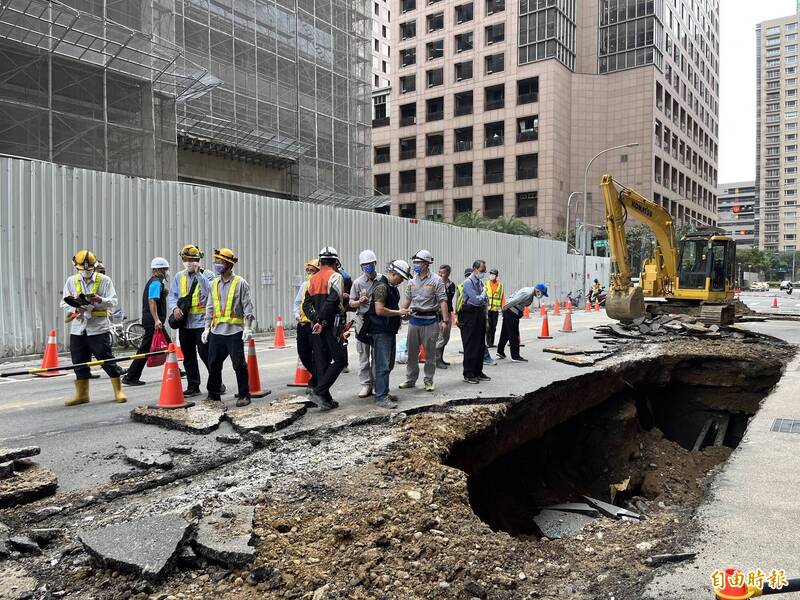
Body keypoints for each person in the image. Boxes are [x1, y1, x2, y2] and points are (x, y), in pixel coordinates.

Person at [60, 250, 127, 406]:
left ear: (94, 266)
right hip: (78, 328)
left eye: (89, 269)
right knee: (79, 361)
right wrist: (76, 308)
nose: (86, 272)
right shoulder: (71, 281)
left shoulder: (105, 280)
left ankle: (118, 390)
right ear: (76, 267)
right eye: (82, 269)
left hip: (98, 327)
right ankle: (82, 394)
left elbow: (114, 301)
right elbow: (63, 303)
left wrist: (100, 300)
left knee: (106, 359)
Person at [202, 248, 255, 407]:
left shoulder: (240, 283)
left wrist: (247, 327)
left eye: (221, 262)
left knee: (239, 364)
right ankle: (213, 395)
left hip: (234, 332)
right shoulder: (214, 283)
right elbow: (210, 308)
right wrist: (206, 328)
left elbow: (248, 308)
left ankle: (244, 395)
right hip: (216, 331)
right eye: (216, 261)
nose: (217, 265)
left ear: (229, 264)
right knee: (213, 364)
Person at [303, 246, 348, 411]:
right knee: (340, 359)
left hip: (316, 327)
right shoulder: (335, 276)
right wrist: (322, 321)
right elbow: (333, 301)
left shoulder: (313, 279)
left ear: (320, 261)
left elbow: (306, 304)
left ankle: (326, 399)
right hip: (331, 325)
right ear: (336, 262)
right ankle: (319, 391)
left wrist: (315, 320)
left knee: (322, 361)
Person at [167, 245, 214, 397]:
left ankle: (216, 383)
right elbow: (173, 295)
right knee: (188, 357)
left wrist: (198, 274)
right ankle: (193, 386)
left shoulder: (208, 275)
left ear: (199, 260)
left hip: (202, 323)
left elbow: (209, 293)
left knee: (206, 354)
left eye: (193, 259)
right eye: (186, 259)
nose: (189, 262)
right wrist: (174, 308)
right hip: (185, 323)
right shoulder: (179, 276)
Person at [399, 250, 449, 392]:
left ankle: (428, 380)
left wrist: (445, 321)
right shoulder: (411, 281)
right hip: (414, 321)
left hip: (430, 321)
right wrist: (400, 315)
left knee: (430, 354)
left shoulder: (436, 280)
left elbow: (443, 301)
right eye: (415, 262)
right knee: (412, 353)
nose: (415, 265)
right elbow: (407, 300)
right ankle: (410, 379)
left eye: (418, 262)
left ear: (426, 264)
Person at [365, 260, 412, 409]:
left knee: (388, 364)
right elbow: (379, 310)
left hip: (389, 331)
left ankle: (383, 391)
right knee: (382, 365)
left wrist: (401, 315)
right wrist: (399, 312)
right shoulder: (381, 287)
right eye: (400, 277)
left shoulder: (392, 288)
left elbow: (391, 309)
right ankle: (381, 397)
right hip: (380, 332)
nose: (401, 281)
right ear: (393, 273)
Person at [123, 258, 172, 387]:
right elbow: (152, 301)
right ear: (159, 270)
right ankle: (131, 376)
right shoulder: (156, 282)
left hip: (151, 319)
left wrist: (163, 295)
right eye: (165, 269)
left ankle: (175, 370)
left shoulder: (157, 283)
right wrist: (156, 320)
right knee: (155, 347)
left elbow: (156, 299)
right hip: (152, 320)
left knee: (166, 345)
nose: (167, 272)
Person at [350, 250, 379, 398]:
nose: (368, 267)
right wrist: (358, 302)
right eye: (365, 265)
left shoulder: (382, 280)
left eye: (370, 264)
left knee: (377, 355)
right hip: (362, 321)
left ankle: (376, 384)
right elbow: (351, 303)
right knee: (363, 355)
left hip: (378, 321)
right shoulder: (357, 283)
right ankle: (365, 384)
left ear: (375, 263)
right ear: (361, 266)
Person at [497, 283, 547, 362]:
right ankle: (515, 356)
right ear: (538, 291)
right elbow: (514, 300)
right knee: (514, 334)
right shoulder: (528, 293)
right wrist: (504, 308)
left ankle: (500, 351)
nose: (541, 296)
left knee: (505, 332)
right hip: (511, 312)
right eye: (542, 294)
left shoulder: (528, 291)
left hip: (510, 312)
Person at [460, 260, 491, 384]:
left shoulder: (479, 282)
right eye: (482, 270)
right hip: (470, 316)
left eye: (484, 271)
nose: (483, 273)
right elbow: (477, 300)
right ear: (475, 269)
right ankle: (468, 373)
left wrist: (486, 319)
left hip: (479, 315)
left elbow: (484, 302)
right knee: (471, 345)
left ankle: (478, 371)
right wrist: (483, 294)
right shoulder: (468, 283)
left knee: (480, 345)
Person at [293, 258, 320, 389]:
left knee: (316, 355)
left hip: (314, 326)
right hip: (303, 325)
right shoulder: (304, 285)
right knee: (303, 353)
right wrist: (297, 315)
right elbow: (297, 302)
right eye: (308, 270)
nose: (309, 273)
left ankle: (315, 381)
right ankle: (317, 376)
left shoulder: (320, 285)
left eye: (312, 271)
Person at [435, 264, 456, 369]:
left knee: (446, 337)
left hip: (447, 313)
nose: (440, 274)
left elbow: (450, 299)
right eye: (439, 272)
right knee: (440, 337)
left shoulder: (451, 285)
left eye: (442, 273)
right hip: (438, 314)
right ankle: (437, 360)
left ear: (448, 273)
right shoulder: (436, 284)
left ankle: (441, 358)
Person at [485, 268, 505, 348]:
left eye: (493, 274)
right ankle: (488, 342)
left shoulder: (500, 285)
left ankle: (491, 343)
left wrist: (503, 308)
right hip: (487, 309)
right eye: (490, 274)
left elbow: (502, 298)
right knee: (488, 326)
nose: (491, 276)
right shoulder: (486, 284)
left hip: (495, 310)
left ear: (496, 276)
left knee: (494, 326)